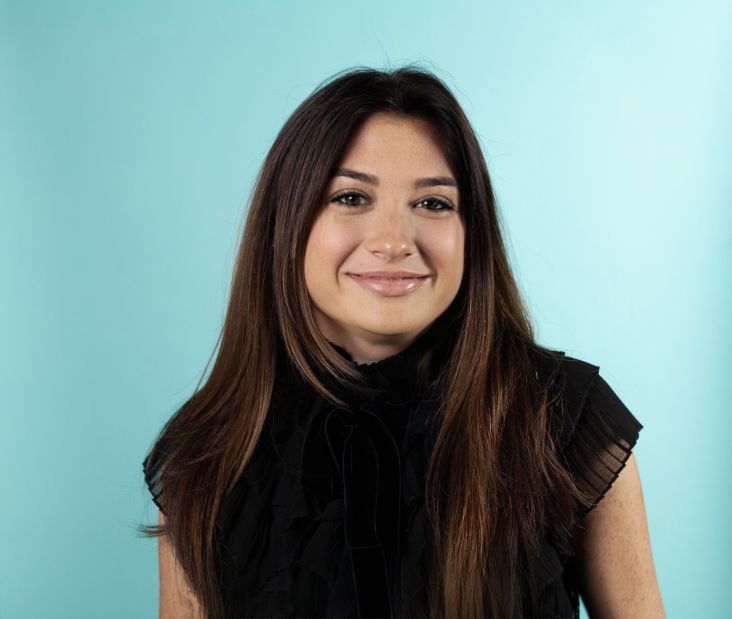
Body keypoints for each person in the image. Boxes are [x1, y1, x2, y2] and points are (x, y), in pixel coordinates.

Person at [139, 65, 665, 619]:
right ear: (286, 222)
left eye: (433, 203)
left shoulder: (565, 419)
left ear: (472, 232)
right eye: (350, 197)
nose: (392, 242)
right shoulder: (204, 452)